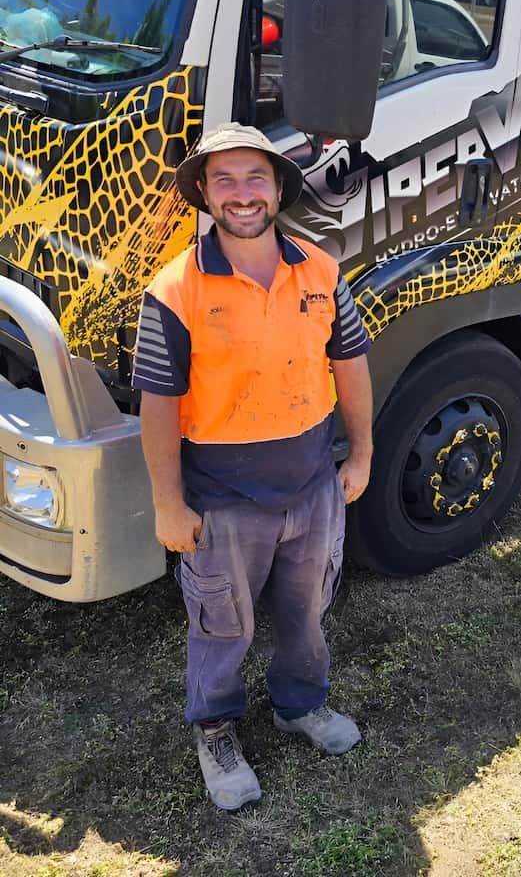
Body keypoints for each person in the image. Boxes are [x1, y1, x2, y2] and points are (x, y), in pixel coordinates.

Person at [133, 123, 373, 811]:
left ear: (278, 189)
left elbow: (350, 364)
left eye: (255, 178)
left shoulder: (320, 270)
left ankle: (300, 705)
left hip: (313, 484)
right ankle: (215, 730)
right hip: (223, 498)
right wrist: (168, 505)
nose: (242, 195)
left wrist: (360, 454)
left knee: (308, 611)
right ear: (205, 194)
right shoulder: (175, 289)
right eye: (226, 180)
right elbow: (158, 405)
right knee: (222, 624)